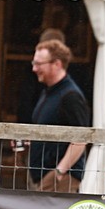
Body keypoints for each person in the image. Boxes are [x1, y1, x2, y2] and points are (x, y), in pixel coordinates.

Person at [28, 39, 90, 192]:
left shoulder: (71, 96)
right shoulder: (48, 92)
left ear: (57, 64)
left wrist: (60, 171)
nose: (34, 69)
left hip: (59, 180)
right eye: (33, 63)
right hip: (44, 177)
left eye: (39, 64)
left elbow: (81, 139)